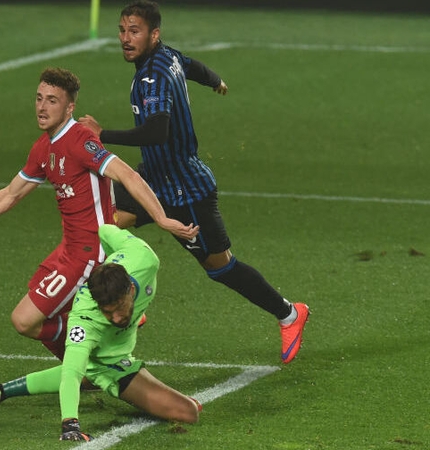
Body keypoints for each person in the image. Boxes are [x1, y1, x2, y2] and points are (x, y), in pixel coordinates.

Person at [77, 0, 309, 364]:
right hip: (152, 179)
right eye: (122, 30)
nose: (125, 38)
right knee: (98, 231)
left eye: (134, 31)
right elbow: (190, 66)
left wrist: (101, 133)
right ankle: (122, 308)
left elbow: (157, 131)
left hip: (186, 191)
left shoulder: (151, 76)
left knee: (221, 268)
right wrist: (215, 79)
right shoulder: (165, 56)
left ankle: (290, 313)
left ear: (154, 34)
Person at [0, 67, 198, 361]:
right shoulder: (43, 148)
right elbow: (10, 195)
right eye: (39, 98)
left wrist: (160, 218)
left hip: (91, 252)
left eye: (52, 101)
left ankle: (105, 330)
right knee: (37, 310)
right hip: (69, 249)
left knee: (24, 321)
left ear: (70, 107)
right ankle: (89, 363)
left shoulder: (80, 141)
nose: (42, 107)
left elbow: (128, 175)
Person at [0, 224, 201, 441]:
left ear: (130, 288)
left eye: (120, 308)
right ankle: (101, 373)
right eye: (108, 313)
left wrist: (103, 262)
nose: (116, 317)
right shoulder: (85, 319)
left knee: (93, 367)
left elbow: (105, 229)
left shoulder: (144, 258)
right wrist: (70, 423)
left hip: (114, 345)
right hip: (109, 364)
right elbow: (71, 371)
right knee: (189, 411)